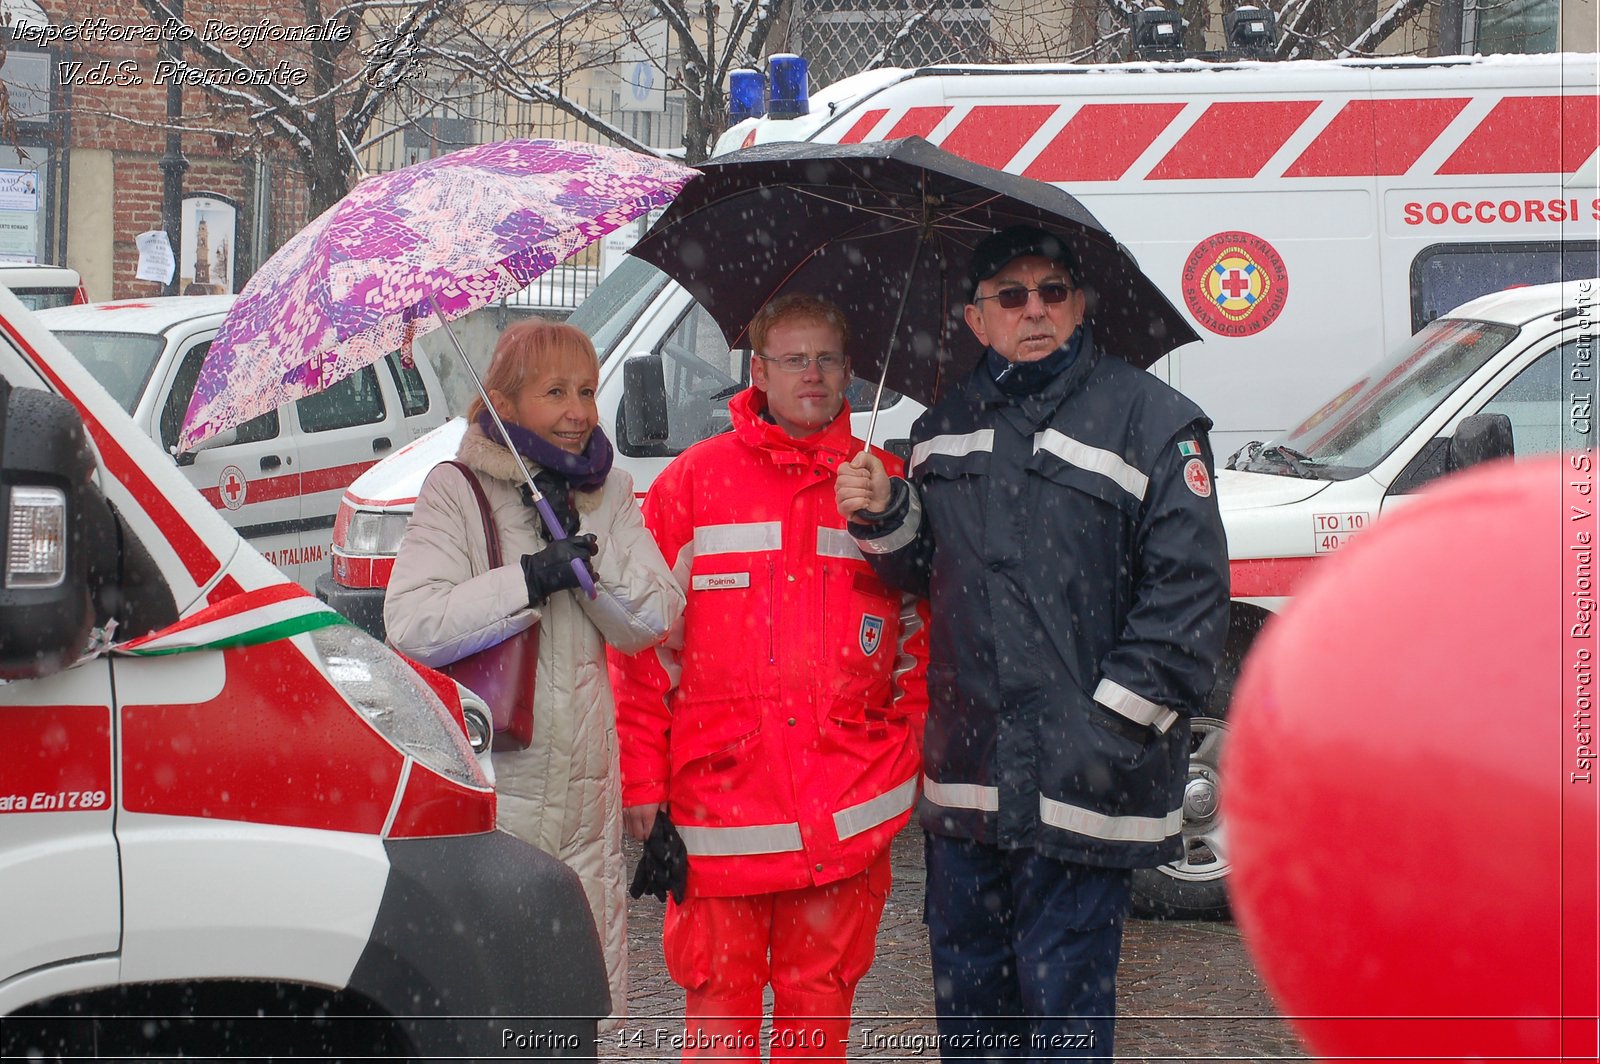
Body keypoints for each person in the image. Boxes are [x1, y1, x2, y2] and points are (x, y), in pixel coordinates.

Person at [835, 227, 1230, 1061]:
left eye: (1054, 291)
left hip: (1083, 794)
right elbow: (930, 566)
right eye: (1011, 296)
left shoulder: (1152, 422)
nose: (1036, 310)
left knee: (1063, 1030)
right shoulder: (941, 427)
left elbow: (1188, 603)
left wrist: (1105, 736)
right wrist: (883, 514)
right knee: (973, 1028)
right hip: (971, 790)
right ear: (976, 319)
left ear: (1081, 305)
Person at [610, 293, 927, 1061]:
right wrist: (643, 784)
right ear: (759, 371)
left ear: (852, 371)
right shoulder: (694, 484)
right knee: (719, 1029)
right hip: (721, 819)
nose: (811, 375)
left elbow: (924, 650)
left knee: (817, 1031)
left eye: (826, 359)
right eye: (793, 359)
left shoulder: (886, 488)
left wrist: (895, 760)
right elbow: (640, 648)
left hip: (842, 824)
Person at [384, 318, 685, 1022]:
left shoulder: (607, 492)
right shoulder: (455, 492)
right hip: (498, 798)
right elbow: (414, 625)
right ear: (507, 401)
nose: (579, 411)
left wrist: (586, 557)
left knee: (573, 1010)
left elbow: (651, 622)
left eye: (587, 389)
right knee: (498, 1006)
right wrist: (527, 579)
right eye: (556, 392)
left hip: (586, 806)